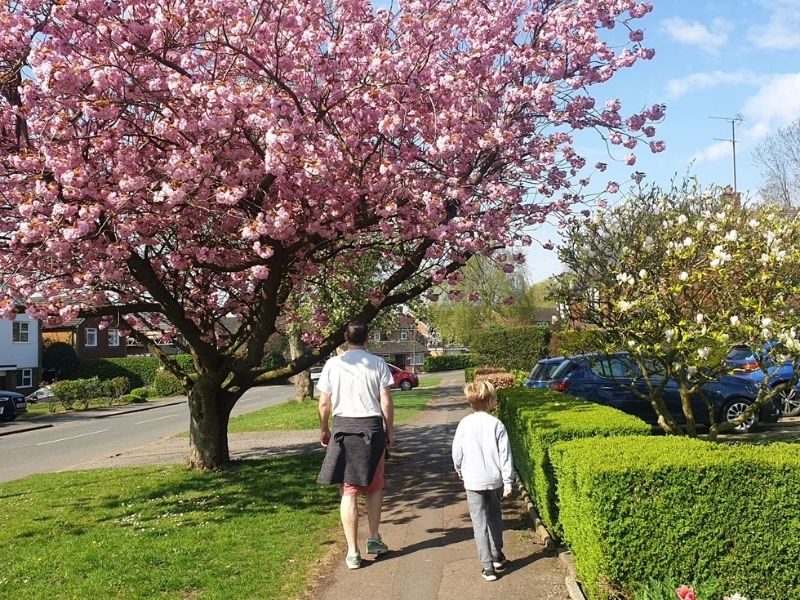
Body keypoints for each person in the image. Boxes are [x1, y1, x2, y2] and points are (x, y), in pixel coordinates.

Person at [316, 317, 394, 570]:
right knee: (374, 486)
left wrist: (324, 428)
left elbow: (324, 403)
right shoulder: (378, 363)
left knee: (348, 490)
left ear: (345, 338)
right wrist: (389, 429)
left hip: (343, 429)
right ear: (367, 338)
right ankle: (373, 538)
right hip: (372, 429)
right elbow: (385, 401)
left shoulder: (332, 365)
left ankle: (352, 552)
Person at [452, 380, 515, 582]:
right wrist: (508, 482)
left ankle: (487, 566)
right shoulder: (496, 424)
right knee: (495, 517)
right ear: (490, 401)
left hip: (473, 480)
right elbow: (506, 456)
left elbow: (457, 453)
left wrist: (460, 469)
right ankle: (497, 555)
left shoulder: (464, 424)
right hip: (494, 480)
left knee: (478, 522)